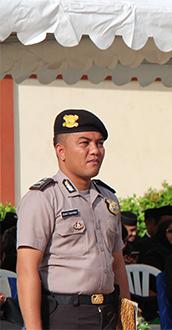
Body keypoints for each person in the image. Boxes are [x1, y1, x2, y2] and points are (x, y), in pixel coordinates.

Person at [16, 109, 130, 329]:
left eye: (100, 143)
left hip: (107, 312)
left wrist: (126, 321)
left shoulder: (108, 199)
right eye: (85, 143)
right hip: (66, 314)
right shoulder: (43, 198)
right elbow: (27, 270)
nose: (95, 151)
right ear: (61, 151)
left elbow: (118, 265)